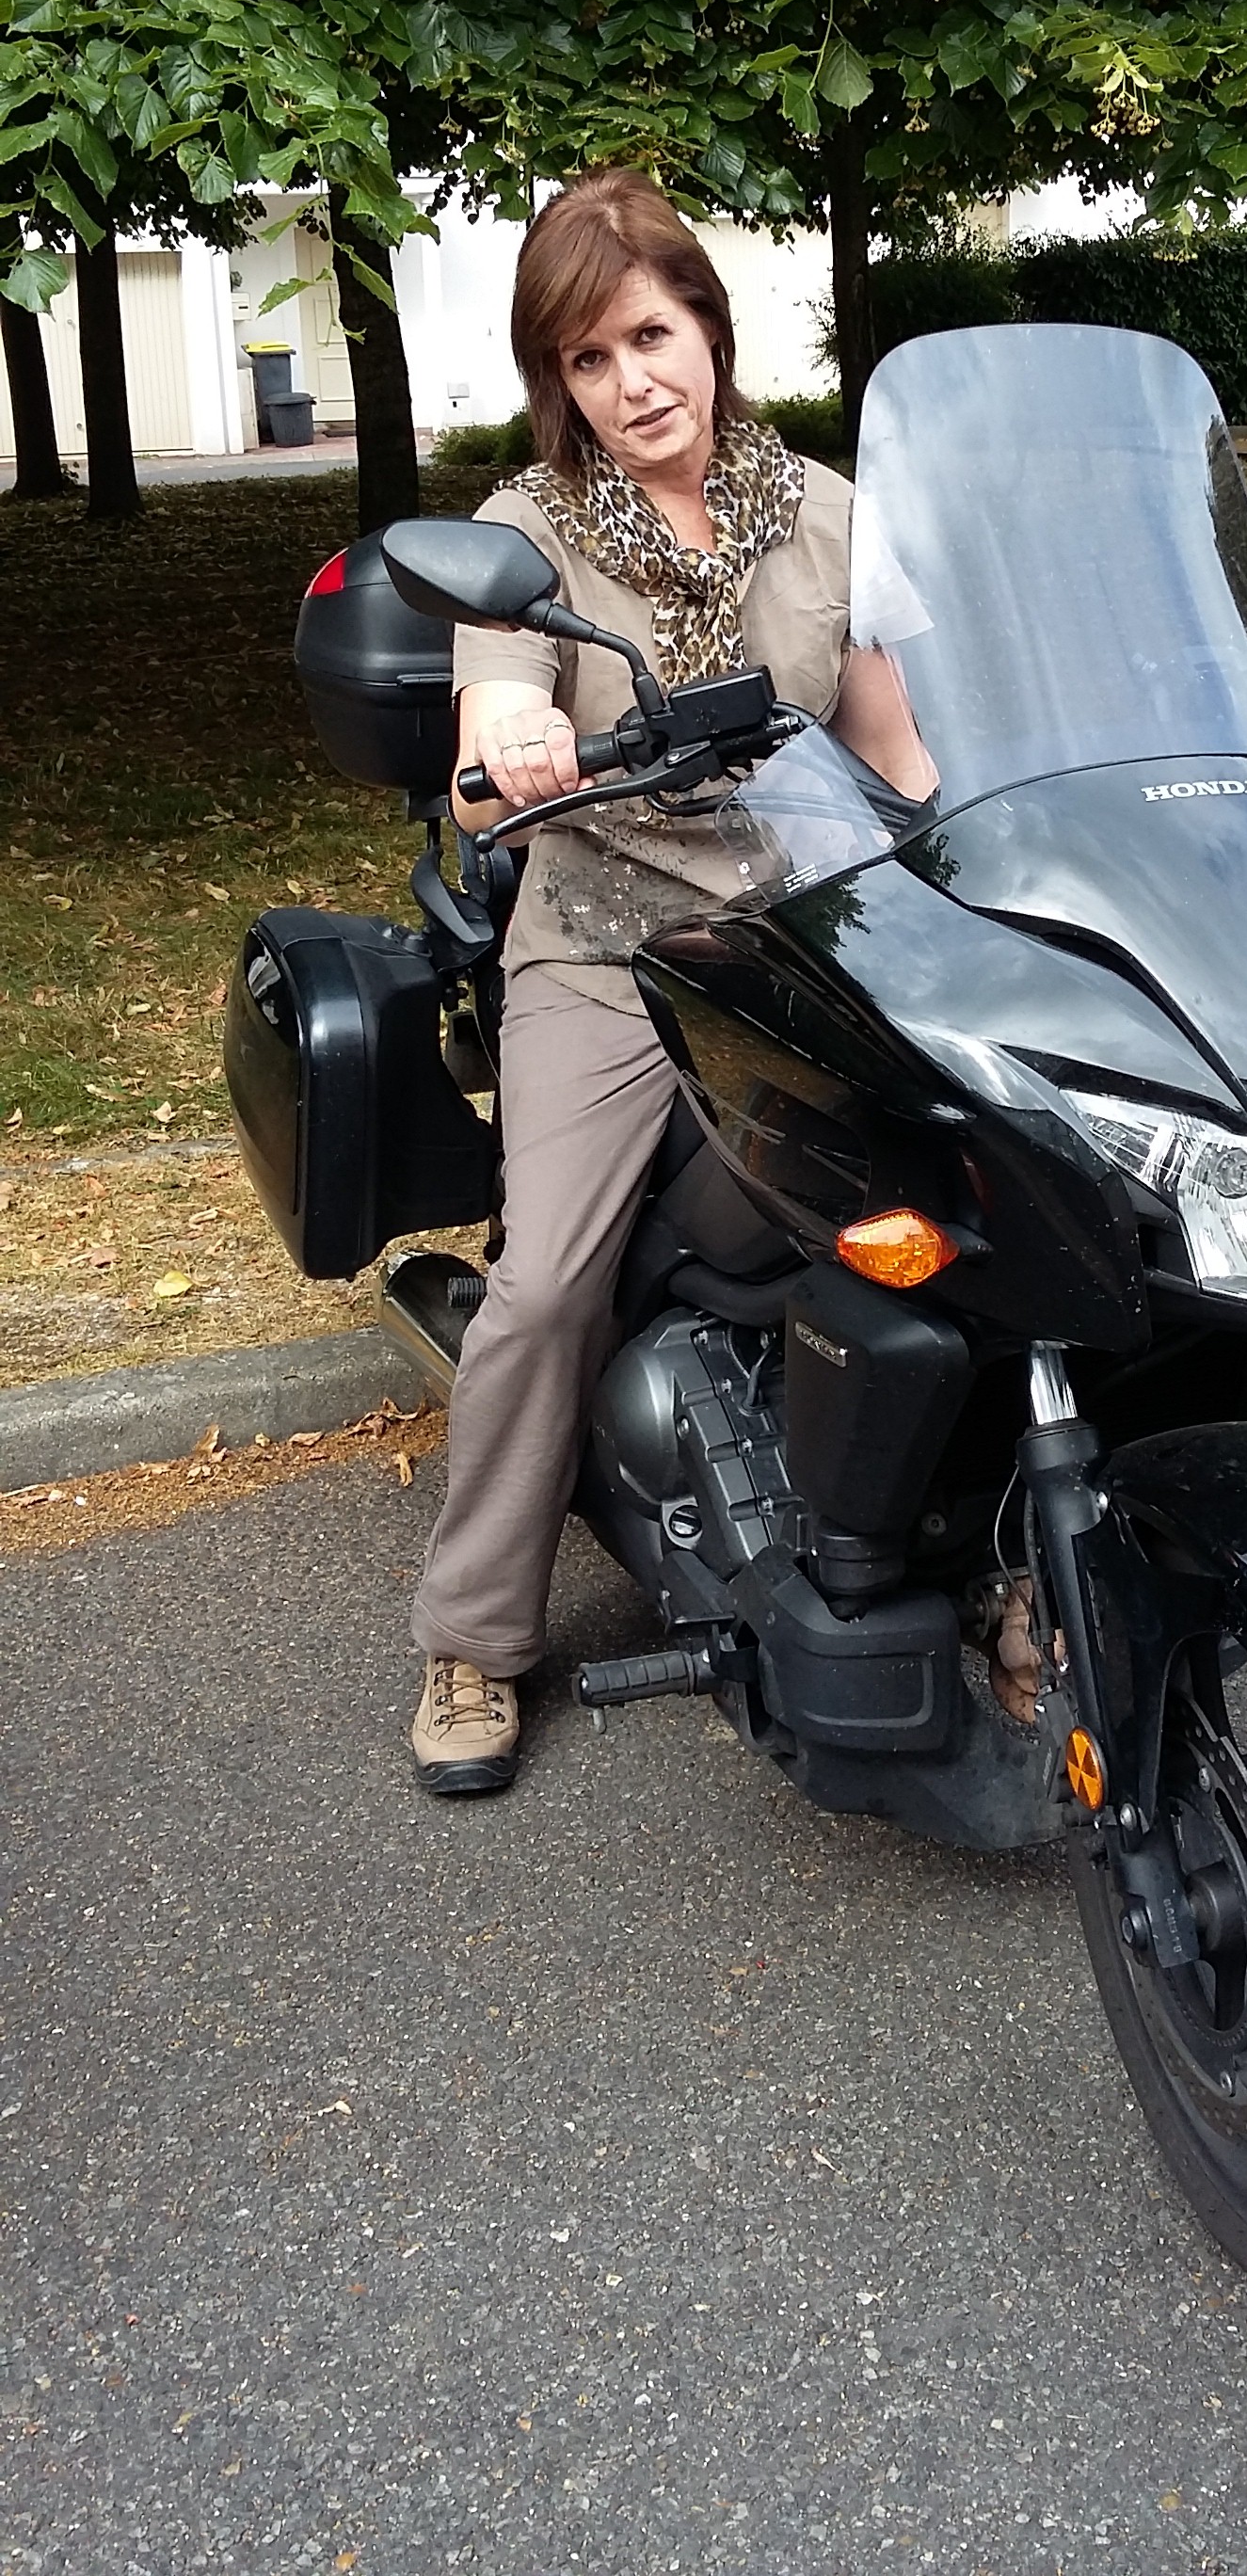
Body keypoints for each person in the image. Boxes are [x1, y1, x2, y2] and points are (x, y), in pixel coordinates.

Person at [408, 168, 919, 1794]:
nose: (631, 384)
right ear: (556, 382)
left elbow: (894, 745)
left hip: (804, 934)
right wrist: (514, 746)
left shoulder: (827, 509)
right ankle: (476, 1634)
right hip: (609, 941)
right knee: (549, 1281)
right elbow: (494, 717)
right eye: (587, 359)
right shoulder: (529, 536)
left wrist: (974, 842)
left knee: (970, 1206)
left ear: (708, 326)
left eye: (649, 336)